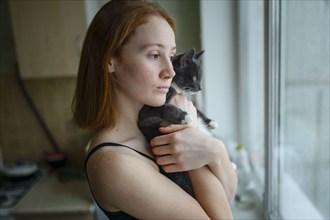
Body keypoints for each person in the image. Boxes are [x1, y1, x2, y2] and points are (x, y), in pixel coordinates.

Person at [71, 0, 237, 219]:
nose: (171, 71)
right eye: (154, 55)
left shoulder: (151, 128)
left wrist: (216, 151)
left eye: (171, 56)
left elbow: (227, 198)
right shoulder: (114, 163)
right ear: (110, 60)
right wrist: (186, 131)